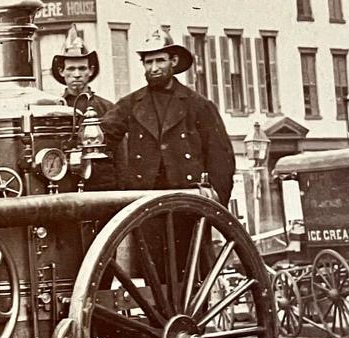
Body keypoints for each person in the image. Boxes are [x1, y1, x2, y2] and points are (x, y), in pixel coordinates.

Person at [103, 25, 235, 205]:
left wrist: (214, 206)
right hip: (143, 202)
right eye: (149, 62)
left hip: (188, 201)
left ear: (173, 61)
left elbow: (220, 158)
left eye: (160, 61)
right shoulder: (130, 104)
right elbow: (102, 138)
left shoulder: (198, 105)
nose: (154, 68)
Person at [49, 25, 117, 190]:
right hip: (65, 184)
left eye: (82, 68)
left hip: (101, 186)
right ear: (61, 71)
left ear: (91, 70)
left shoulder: (107, 108)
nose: (77, 74)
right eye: (71, 69)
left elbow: (120, 156)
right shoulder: (54, 108)